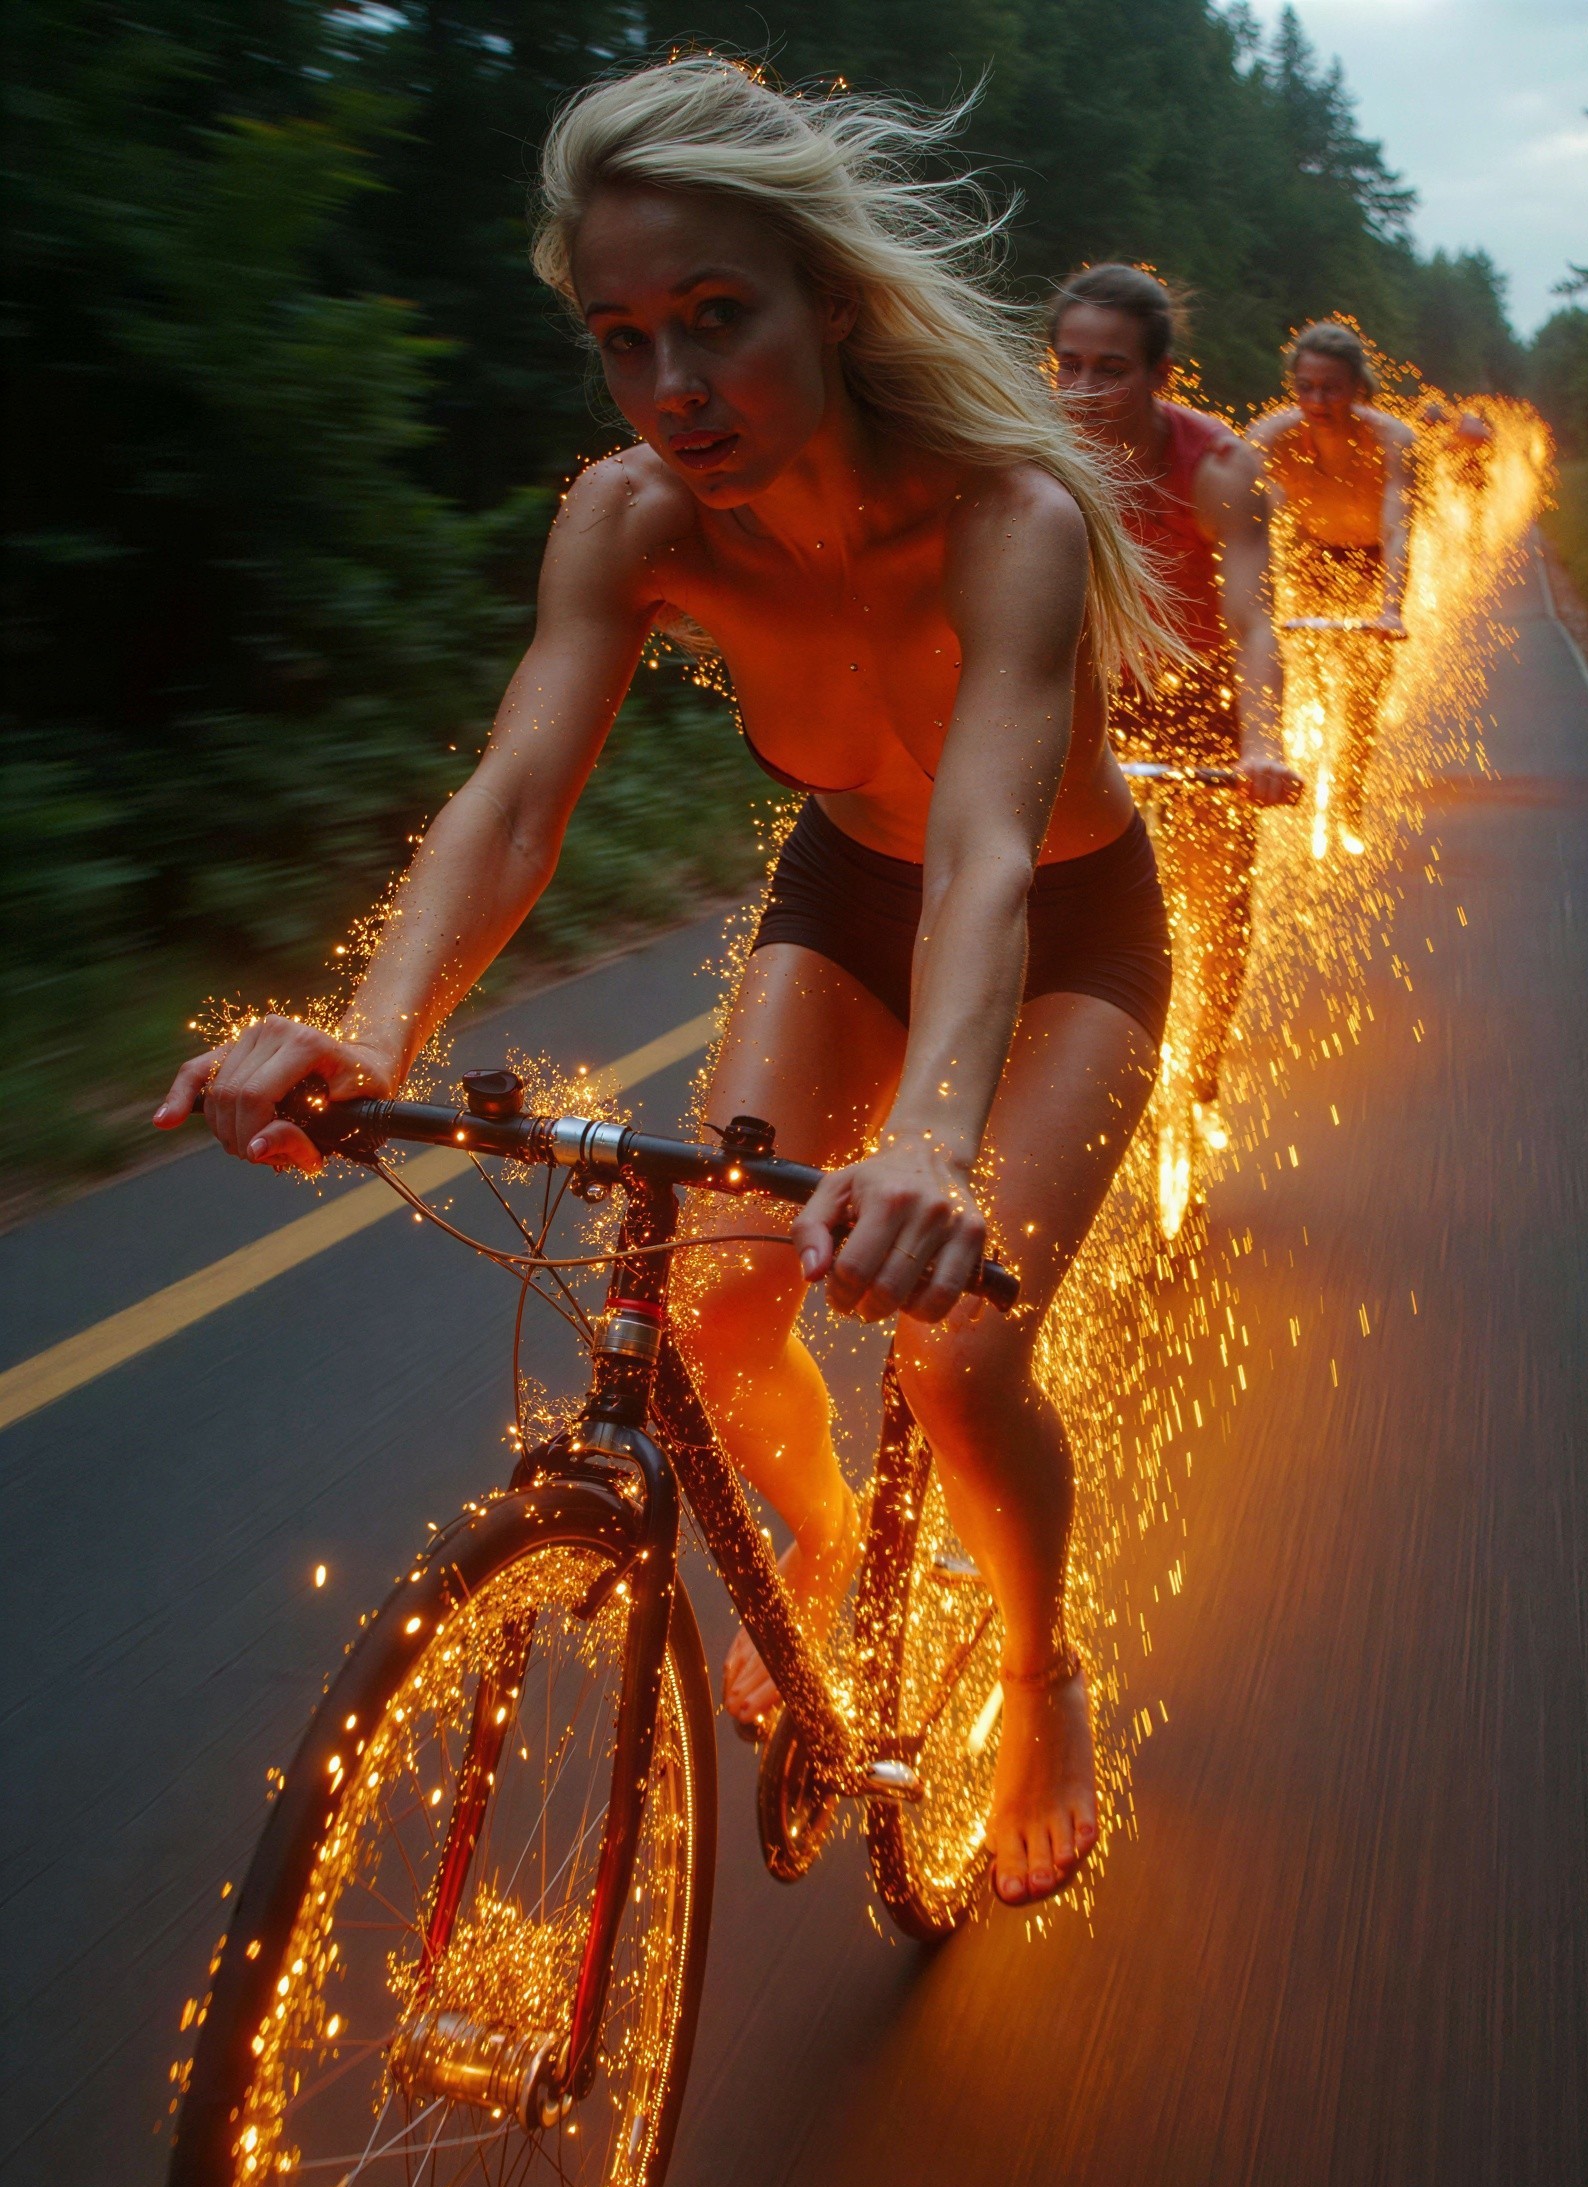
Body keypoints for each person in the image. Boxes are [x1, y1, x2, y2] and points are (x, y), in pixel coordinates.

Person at [153, 58, 1176, 1911]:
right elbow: (518, 794)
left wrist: (930, 1136)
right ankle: (819, 1545)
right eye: (623, 339)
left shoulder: (1002, 511)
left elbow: (984, 854)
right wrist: (370, 1030)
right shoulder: (633, 517)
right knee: (713, 1316)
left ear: (831, 305)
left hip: (1066, 927)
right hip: (837, 895)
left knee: (956, 1359)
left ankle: (1037, 1671)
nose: (673, 389)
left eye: (718, 320)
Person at [1051, 263, 1294, 1155]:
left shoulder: (1220, 466)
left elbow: (1253, 620)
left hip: (1196, 699)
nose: (1081, 390)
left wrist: (1260, 744)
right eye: (1067, 365)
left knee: (1216, 903)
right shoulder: (1027, 451)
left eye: (1108, 369)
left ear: (1160, 375)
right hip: (1079, 693)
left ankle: (1198, 1081)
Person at [1249, 320, 1414, 853]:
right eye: (1305, 387)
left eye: (1332, 387)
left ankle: (1349, 794)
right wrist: (1251, 601)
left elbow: (1397, 524)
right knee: (1305, 678)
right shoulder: (1272, 437)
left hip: (1371, 559)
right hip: (1308, 556)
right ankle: (1300, 775)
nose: (1317, 400)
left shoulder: (1393, 438)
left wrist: (1391, 608)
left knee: (1364, 695)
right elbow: (1250, 521)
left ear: (1358, 387)